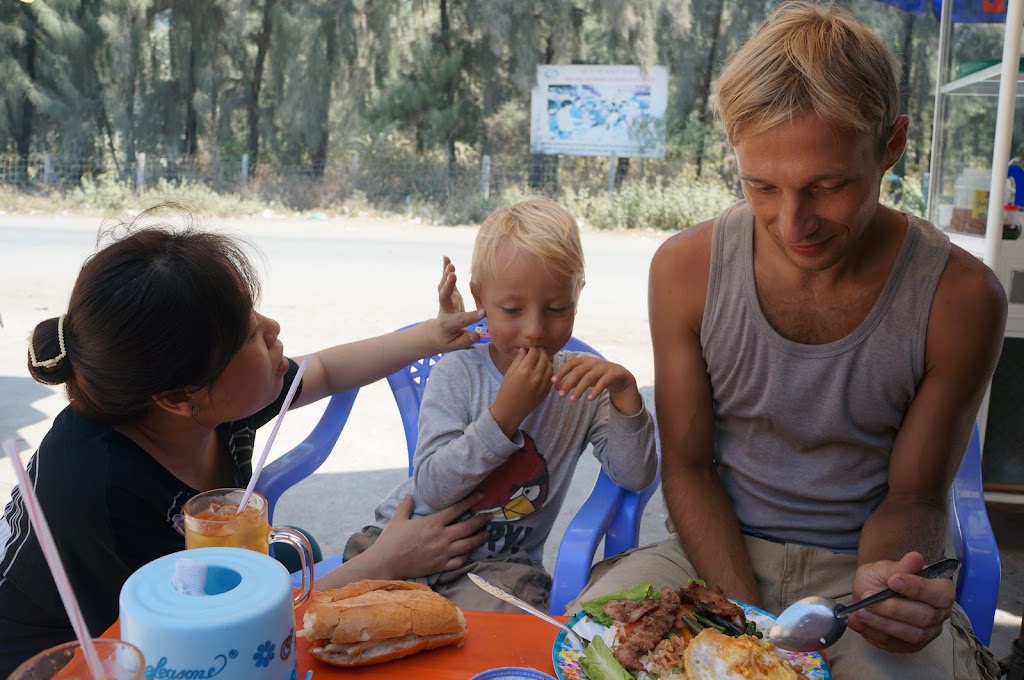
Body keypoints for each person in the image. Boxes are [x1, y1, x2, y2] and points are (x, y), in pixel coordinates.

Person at [569, 3, 1007, 679]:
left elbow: (913, 497)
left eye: (828, 186)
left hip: (858, 572)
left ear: (892, 145)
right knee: (588, 654)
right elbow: (689, 466)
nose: (791, 223)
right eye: (760, 186)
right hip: (708, 554)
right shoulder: (686, 272)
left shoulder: (960, 300)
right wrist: (748, 632)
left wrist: (890, 585)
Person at [0, 203, 493, 675]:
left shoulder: (205, 405)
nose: (273, 328)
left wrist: (431, 336)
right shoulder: (102, 489)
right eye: (250, 333)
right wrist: (385, 560)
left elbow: (322, 370)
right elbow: (206, 630)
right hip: (74, 659)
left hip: (189, 599)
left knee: (299, 552)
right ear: (178, 395)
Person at [340, 196, 658, 612]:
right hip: (400, 542)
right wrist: (505, 414)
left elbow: (635, 476)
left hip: (500, 569)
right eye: (512, 309)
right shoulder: (459, 374)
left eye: (557, 308)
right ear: (480, 299)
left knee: (506, 637)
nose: (534, 329)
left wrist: (626, 397)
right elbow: (433, 486)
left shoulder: (584, 387)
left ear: (578, 295)